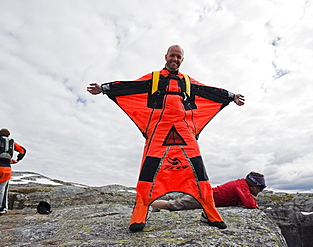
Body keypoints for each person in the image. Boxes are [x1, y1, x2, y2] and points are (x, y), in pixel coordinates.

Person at [87, 45, 245, 231]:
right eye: (172, 56)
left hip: (184, 132)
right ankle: (139, 213)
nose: (175, 59)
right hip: (159, 132)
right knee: (149, 170)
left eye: (178, 57)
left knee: (198, 170)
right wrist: (105, 88)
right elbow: (130, 87)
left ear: (182, 60)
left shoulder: (187, 82)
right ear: (166, 56)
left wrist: (231, 96)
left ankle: (211, 212)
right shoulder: (153, 78)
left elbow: (208, 91)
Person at [150, 172, 266, 214]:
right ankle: (148, 203)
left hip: (206, 197)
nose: (260, 191)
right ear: (254, 184)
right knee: (174, 206)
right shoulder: (241, 186)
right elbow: (250, 204)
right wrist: (254, 204)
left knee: (175, 205)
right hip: (203, 198)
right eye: (260, 188)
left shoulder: (242, 184)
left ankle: (154, 205)